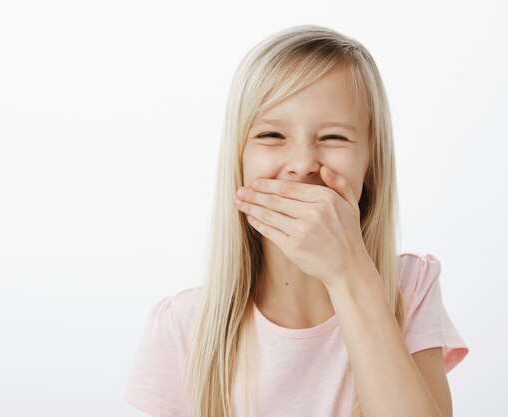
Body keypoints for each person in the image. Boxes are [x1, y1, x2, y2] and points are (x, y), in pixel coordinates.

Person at [123, 24, 469, 417]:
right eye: (271, 135)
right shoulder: (183, 326)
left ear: (371, 164)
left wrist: (349, 273)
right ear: (239, 161)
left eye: (334, 138)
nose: (303, 164)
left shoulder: (411, 288)